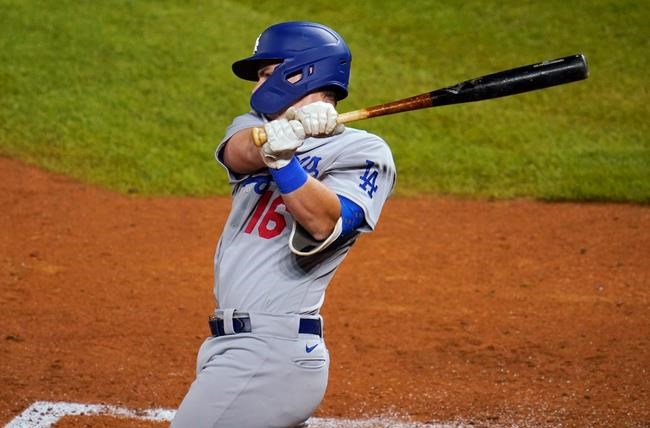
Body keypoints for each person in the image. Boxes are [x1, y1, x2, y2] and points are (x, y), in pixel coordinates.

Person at [172, 21, 396, 427]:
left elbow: (324, 223)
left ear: (301, 72)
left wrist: (285, 161)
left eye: (264, 74)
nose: (256, 87)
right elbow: (240, 152)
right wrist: (276, 139)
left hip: (272, 352)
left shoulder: (364, 151)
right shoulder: (251, 125)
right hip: (230, 346)